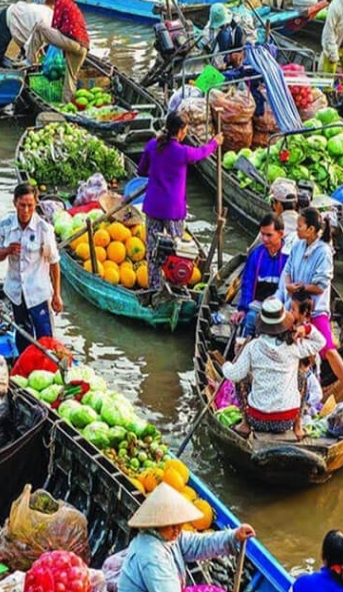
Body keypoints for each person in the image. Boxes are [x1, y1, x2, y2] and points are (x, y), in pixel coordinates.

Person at [112, 482, 256, 592]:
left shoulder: (170, 538)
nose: (177, 530)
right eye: (172, 525)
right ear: (157, 524)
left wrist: (232, 536)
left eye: (179, 525)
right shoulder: (150, 556)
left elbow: (199, 544)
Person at [137, 111, 223, 289]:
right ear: (182, 131)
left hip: (153, 206)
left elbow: (141, 171)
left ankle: (154, 287)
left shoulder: (152, 145)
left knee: (153, 250)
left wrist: (157, 172)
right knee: (179, 251)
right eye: (186, 129)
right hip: (173, 210)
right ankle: (176, 285)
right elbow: (201, 153)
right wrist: (215, 142)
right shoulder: (182, 152)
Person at [277, 207, 343, 397]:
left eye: (300, 226)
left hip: (315, 308)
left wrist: (301, 287)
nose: (297, 229)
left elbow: (320, 287)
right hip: (294, 305)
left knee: (327, 348)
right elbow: (287, 270)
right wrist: (288, 286)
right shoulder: (297, 246)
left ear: (311, 229)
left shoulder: (324, 252)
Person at [222, 297, 325, 439]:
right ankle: (298, 427)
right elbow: (321, 341)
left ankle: (245, 425)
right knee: (302, 378)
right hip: (286, 421)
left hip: (257, 420)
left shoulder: (253, 346)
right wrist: (306, 329)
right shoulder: (294, 346)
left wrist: (226, 365)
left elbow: (234, 375)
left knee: (242, 378)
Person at [0, 182, 63, 354]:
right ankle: (24, 367)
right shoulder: (5, 225)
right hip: (16, 292)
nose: (25, 210)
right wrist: (8, 250)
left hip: (38, 292)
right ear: (14, 202)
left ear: (35, 204)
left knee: (45, 339)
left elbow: (54, 263)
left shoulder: (43, 229)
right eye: (22, 205)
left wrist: (57, 295)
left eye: (30, 206)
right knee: (23, 334)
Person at [233, 213, 289, 336]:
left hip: (281, 307)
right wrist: (243, 309)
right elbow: (247, 283)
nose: (264, 239)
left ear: (280, 233)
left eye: (269, 235)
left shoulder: (289, 256)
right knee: (250, 320)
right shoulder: (256, 254)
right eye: (262, 234)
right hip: (258, 304)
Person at [35, 0, 88, 103]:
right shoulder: (74, 6)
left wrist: (44, 46)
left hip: (71, 43)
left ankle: (30, 58)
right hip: (83, 47)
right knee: (71, 79)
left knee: (39, 27)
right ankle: (68, 107)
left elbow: (55, 27)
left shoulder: (61, 1)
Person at [0, 0, 53, 69]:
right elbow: (32, 43)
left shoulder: (51, 17)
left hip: (24, 24)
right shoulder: (46, 24)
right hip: (9, 16)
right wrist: (29, 60)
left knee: (29, 56)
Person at [269, 178, 301, 250]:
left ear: (279, 204)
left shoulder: (272, 226)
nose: (273, 206)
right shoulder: (304, 223)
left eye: (274, 202)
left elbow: (253, 249)